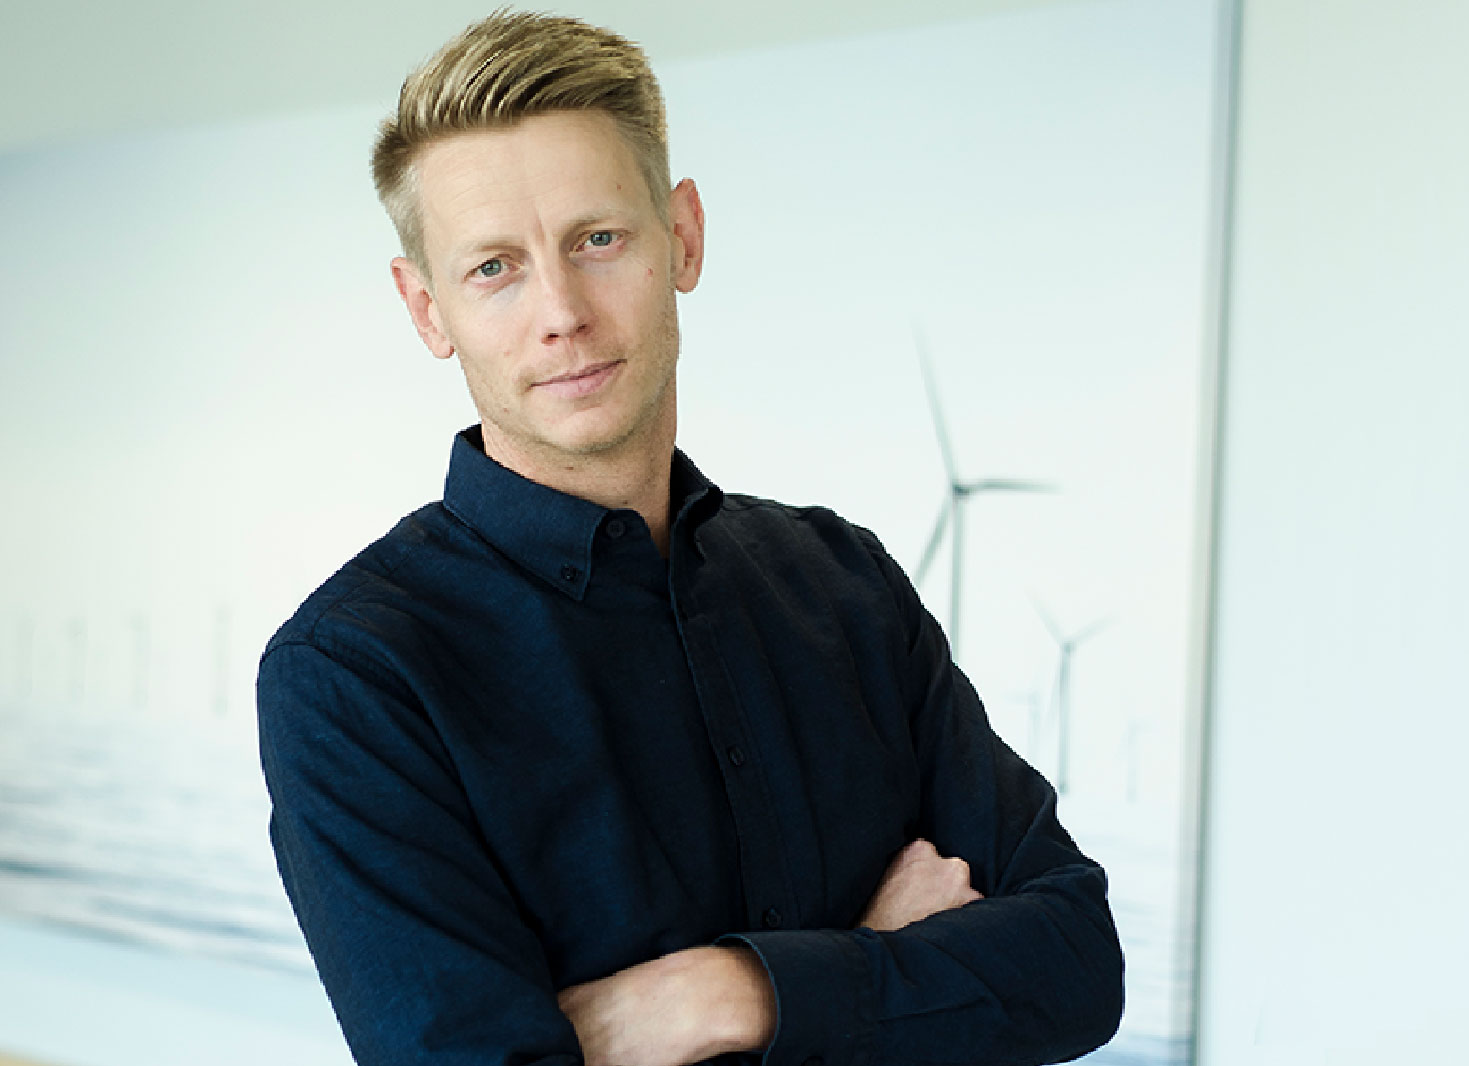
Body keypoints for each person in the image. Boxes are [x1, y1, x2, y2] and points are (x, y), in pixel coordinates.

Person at [256, 11, 1123, 1066]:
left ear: (685, 237)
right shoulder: (356, 676)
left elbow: (1078, 962)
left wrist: (721, 994)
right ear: (426, 309)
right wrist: (872, 967)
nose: (561, 312)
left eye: (598, 239)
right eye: (494, 267)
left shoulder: (844, 583)